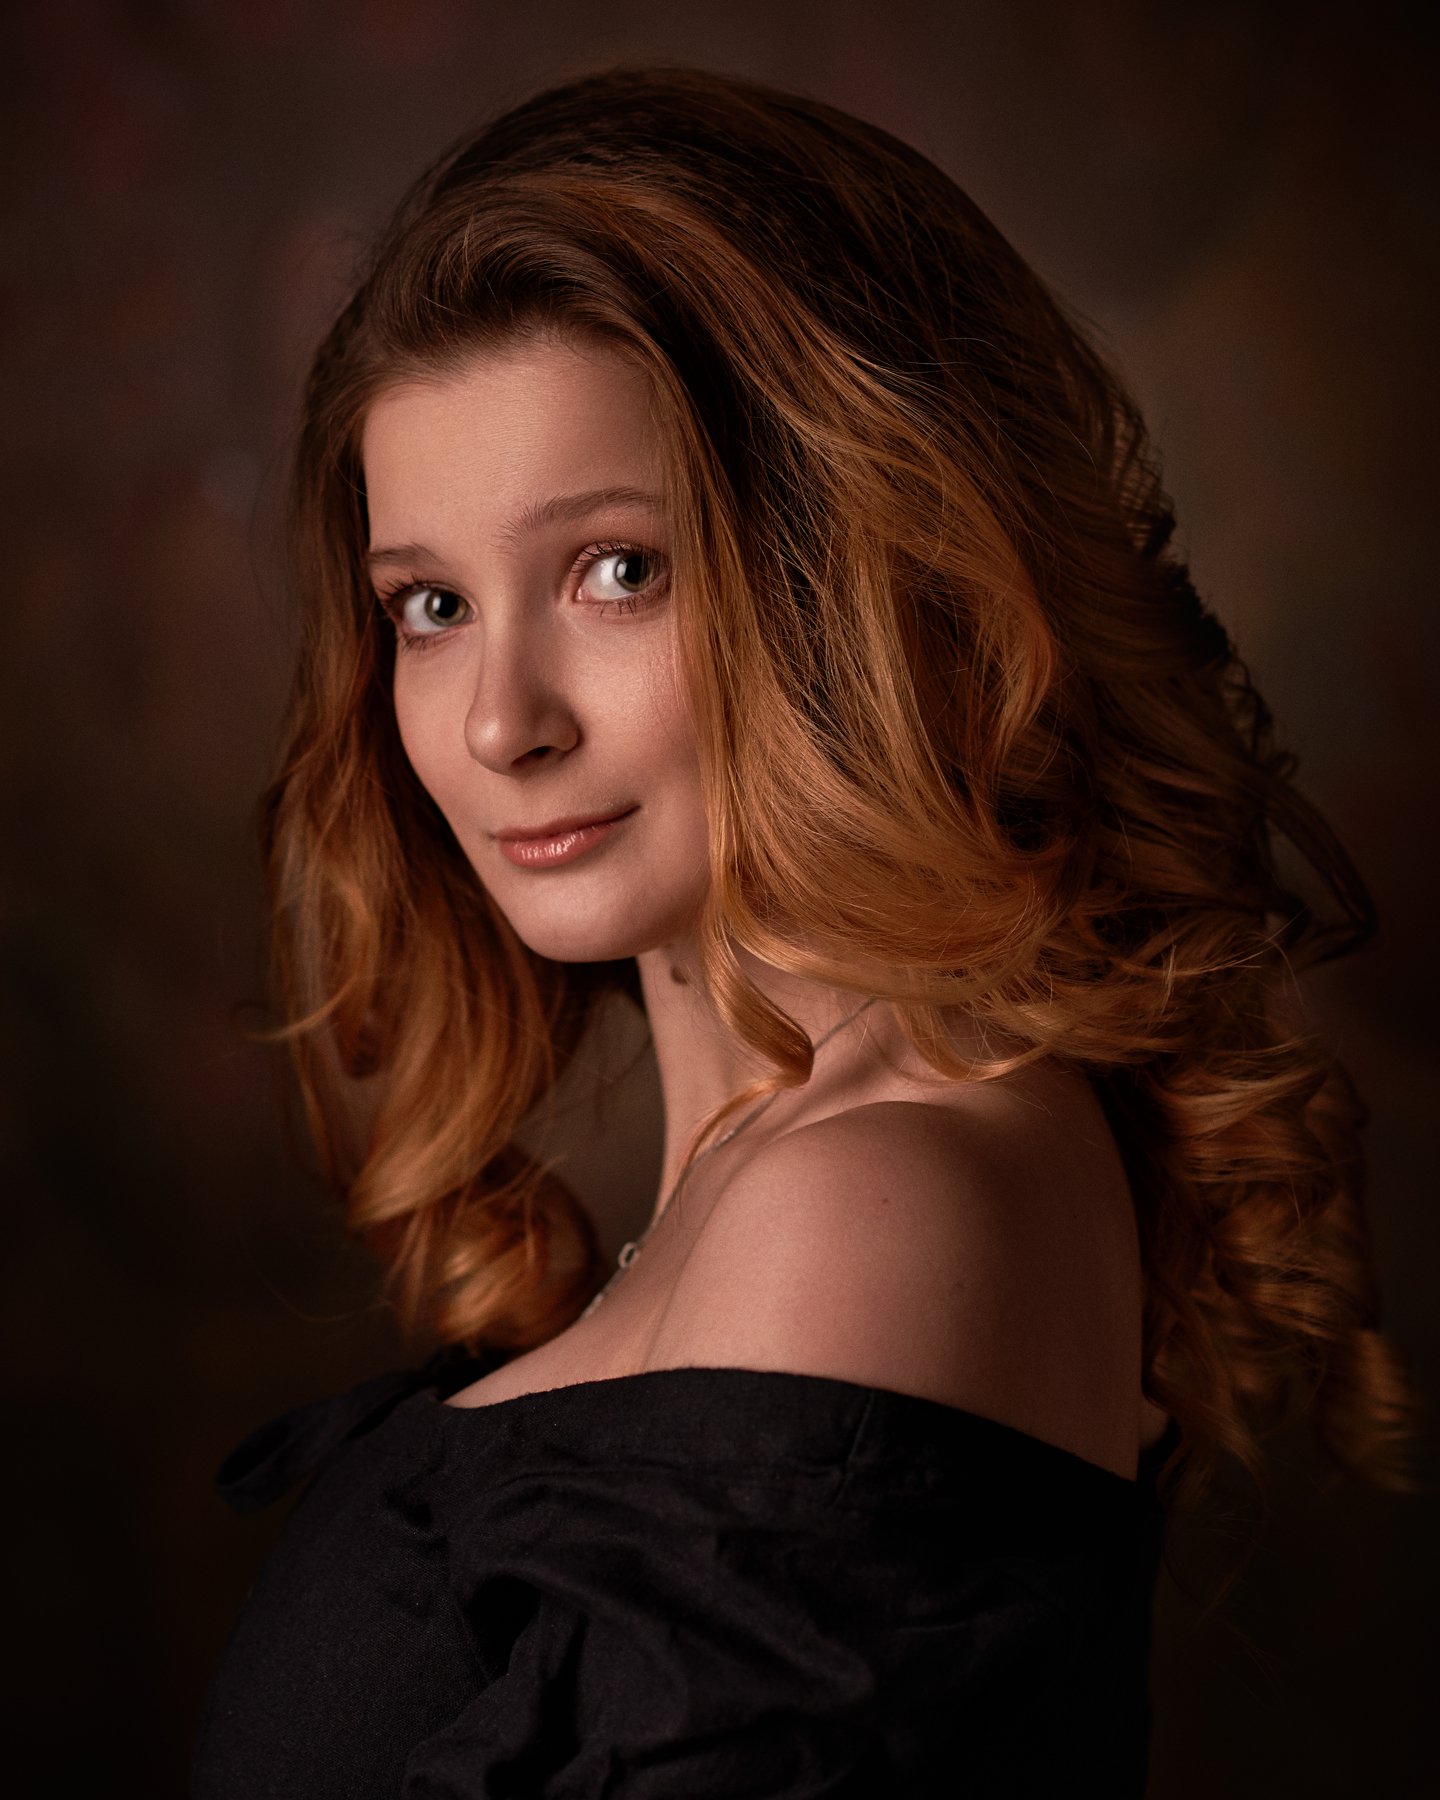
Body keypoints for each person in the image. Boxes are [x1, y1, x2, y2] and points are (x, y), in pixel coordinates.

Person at [192, 64, 1422, 1797]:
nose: (499, 722)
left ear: (863, 569)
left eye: (618, 569)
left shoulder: (863, 1200)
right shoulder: (803, 1173)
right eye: (433, 605)